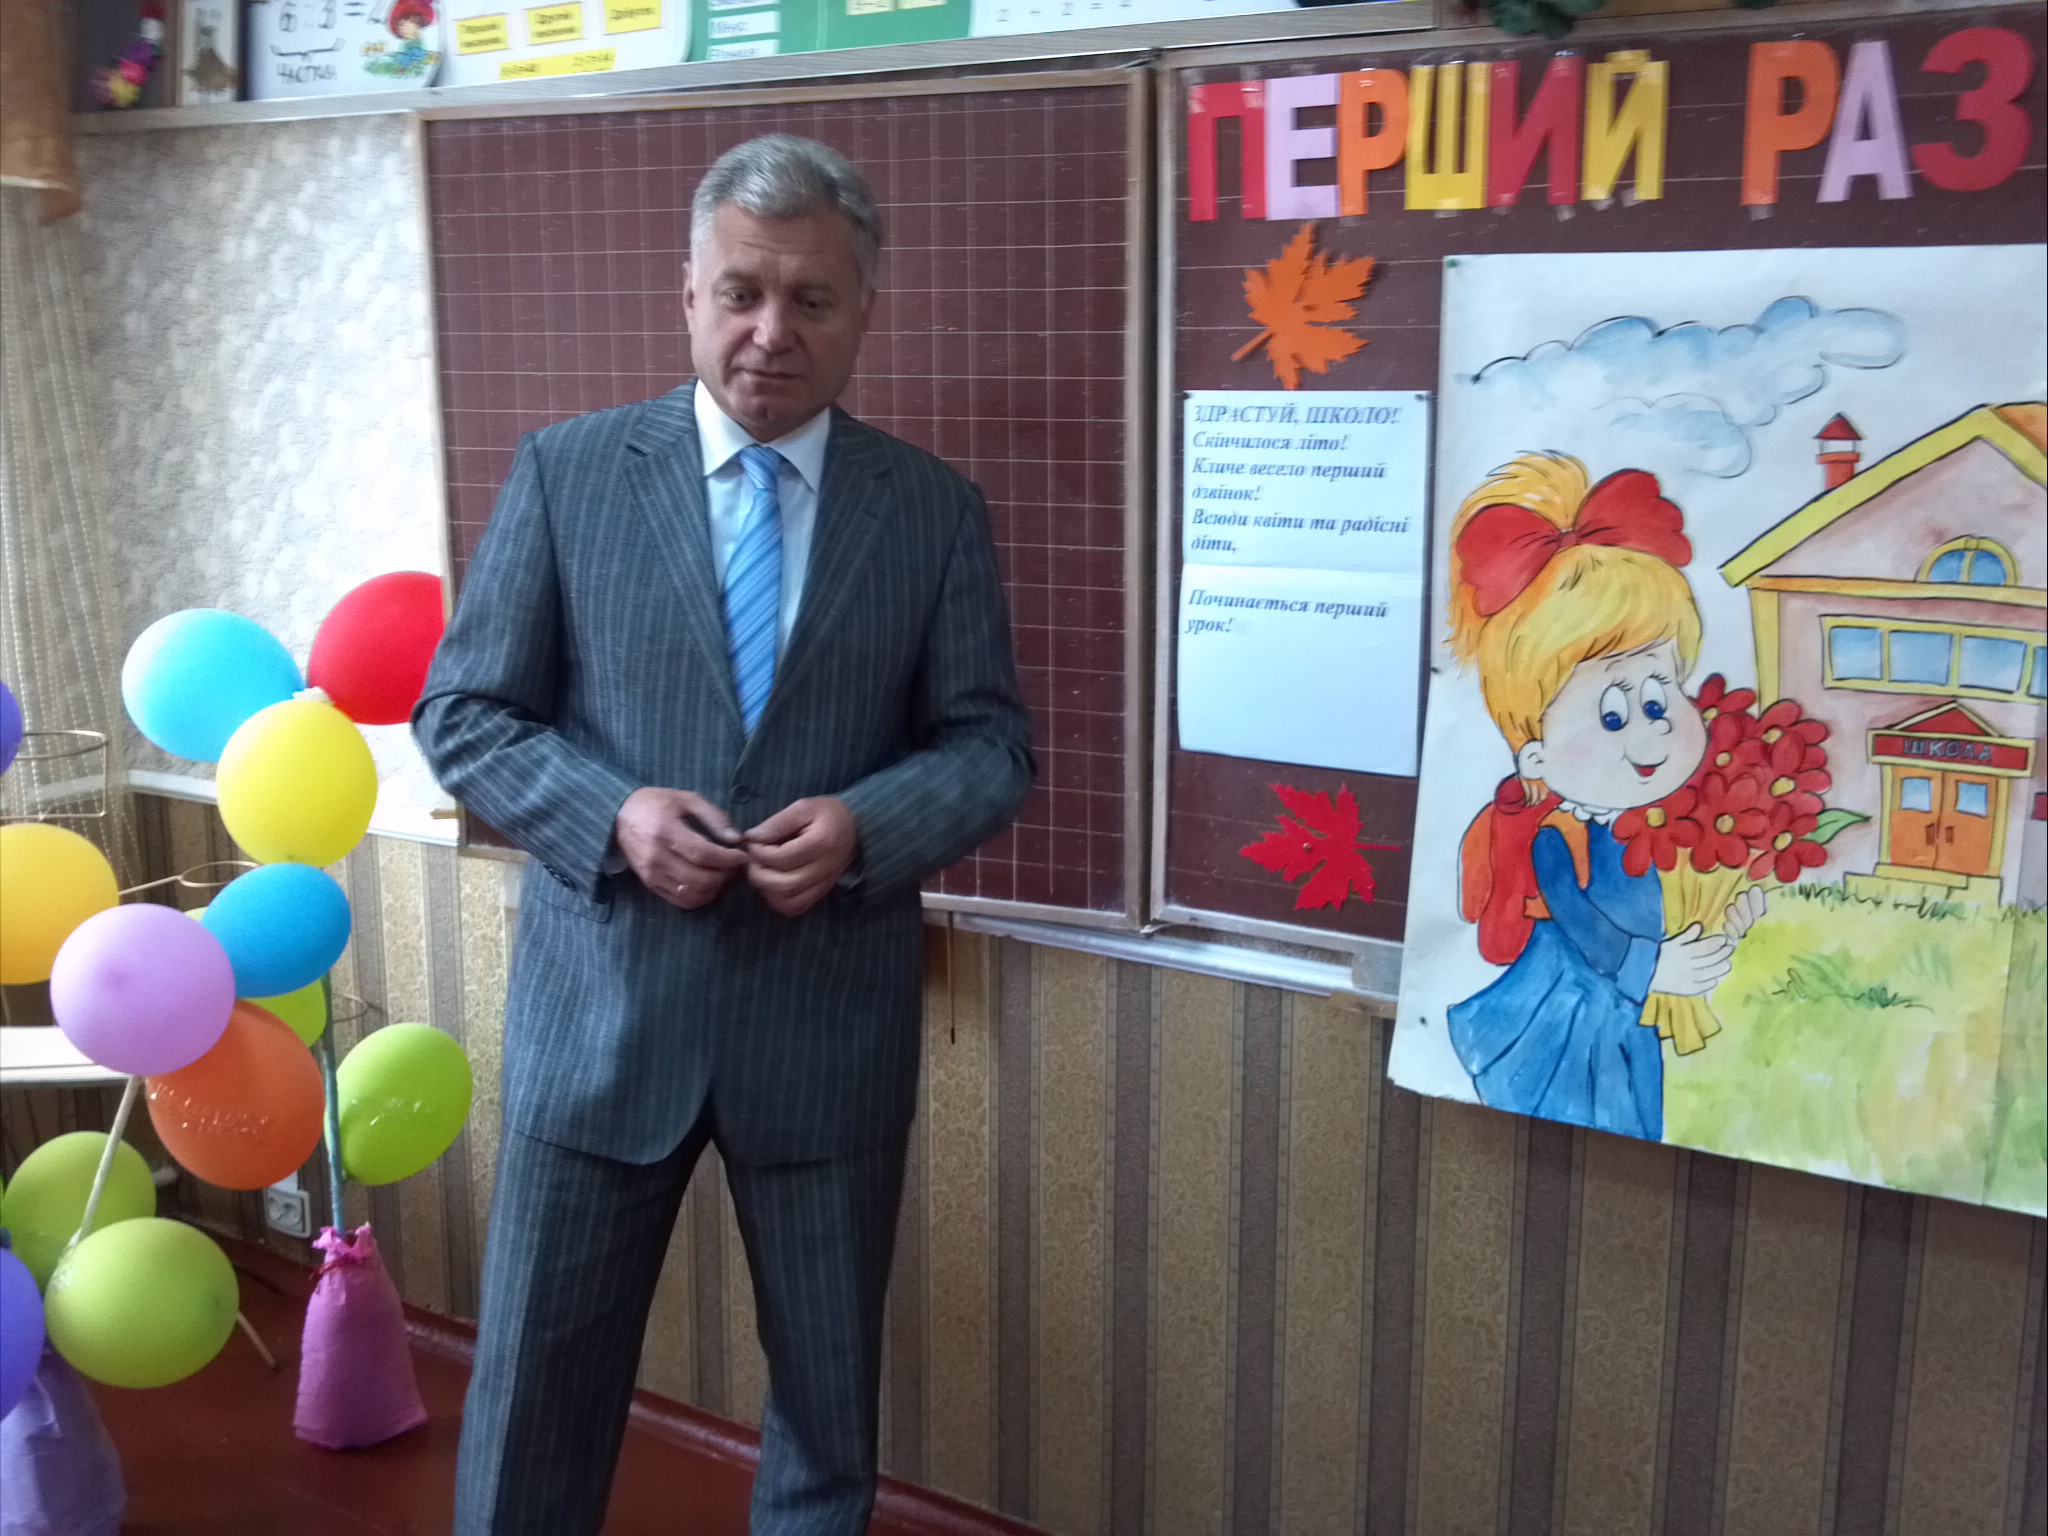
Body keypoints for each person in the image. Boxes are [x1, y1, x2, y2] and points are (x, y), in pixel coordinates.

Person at [414, 133, 1033, 1536]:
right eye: (741, 293)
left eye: (811, 299)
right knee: (534, 1397)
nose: (771, 332)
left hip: (824, 1040)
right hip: (600, 1025)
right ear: (687, 295)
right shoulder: (570, 475)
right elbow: (463, 715)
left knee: (824, 1415)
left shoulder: (931, 513)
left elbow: (991, 747)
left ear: (864, 310)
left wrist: (866, 825)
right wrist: (612, 812)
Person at [1443, 452, 1764, 1140]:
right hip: (1568, 1015)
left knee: (1635, 1119)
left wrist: (1725, 921)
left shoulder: (1649, 827)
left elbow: (1672, 903)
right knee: (1580, 1123)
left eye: (1660, 697)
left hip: (1625, 1014)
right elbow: (1583, 926)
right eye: (1613, 715)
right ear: (1536, 756)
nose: (1652, 732)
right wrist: (1654, 966)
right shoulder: (1556, 836)